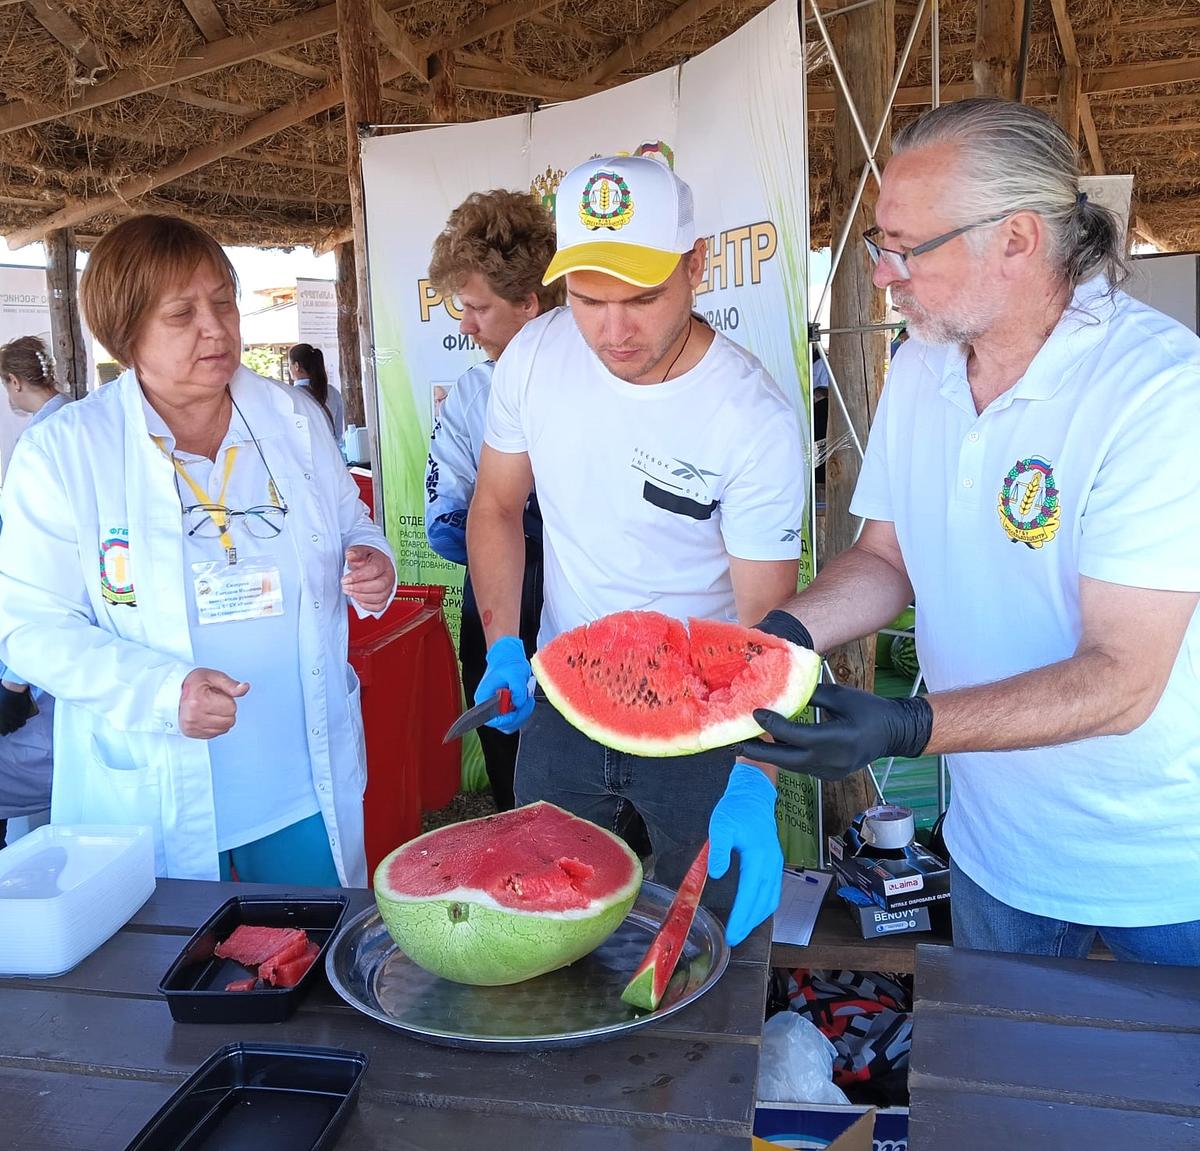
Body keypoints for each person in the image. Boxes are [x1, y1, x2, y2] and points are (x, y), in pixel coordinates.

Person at [744, 98, 1200, 965]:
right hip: (995, 850)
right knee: (1005, 1100)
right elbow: (887, 557)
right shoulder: (921, 366)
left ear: (1018, 239)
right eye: (882, 246)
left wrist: (905, 727)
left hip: (1163, 870)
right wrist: (783, 636)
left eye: (907, 249)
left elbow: (1123, 681)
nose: (882, 275)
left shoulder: (1160, 393)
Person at [466, 155, 808, 945]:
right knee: (545, 926)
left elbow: (767, 624)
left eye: (643, 298)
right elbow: (495, 505)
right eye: (587, 299)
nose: (613, 330)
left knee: (707, 942)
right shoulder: (533, 359)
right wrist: (505, 644)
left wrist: (755, 779)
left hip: (706, 720)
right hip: (561, 692)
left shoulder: (749, 418)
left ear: (695, 266)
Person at [0, 214, 396, 886]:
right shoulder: (67, 451)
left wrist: (371, 559)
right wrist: (160, 691)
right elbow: (29, 628)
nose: (216, 327)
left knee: (310, 958)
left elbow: (351, 521)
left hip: (300, 780)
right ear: (127, 336)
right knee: (178, 975)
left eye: (223, 301)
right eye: (182, 313)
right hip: (154, 790)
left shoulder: (291, 418)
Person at [424, 188, 561, 811]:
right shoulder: (471, 396)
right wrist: (504, 529)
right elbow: (445, 523)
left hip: (589, 604)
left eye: (476, 307)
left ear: (529, 304)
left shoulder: (606, 384)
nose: (464, 324)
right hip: (497, 604)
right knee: (514, 778)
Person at [0, 335, 66, 843]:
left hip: (49, 650)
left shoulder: (42, 445)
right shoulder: (76, 424)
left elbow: (40, 569)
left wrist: (14, 681)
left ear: (15, 382)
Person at [288, 342, 344, 441]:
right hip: (332, 453)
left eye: (289, 365)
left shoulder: (291, 395)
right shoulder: (332, 391)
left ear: (296, 366)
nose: (289, 369)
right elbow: (338, 433)